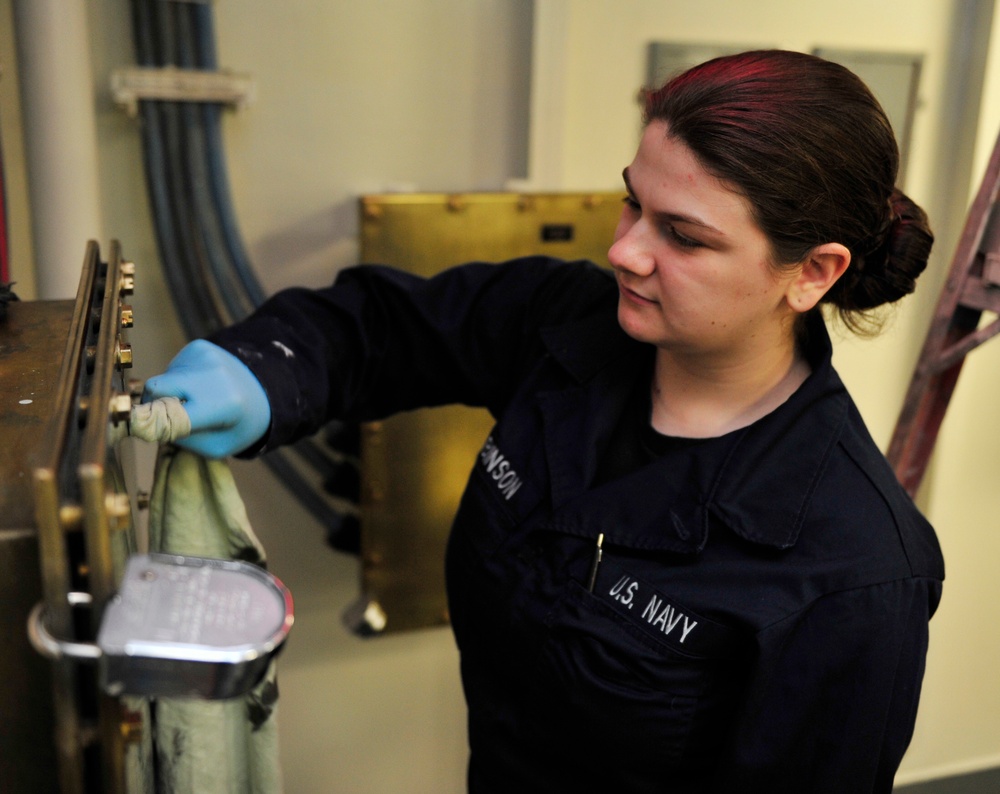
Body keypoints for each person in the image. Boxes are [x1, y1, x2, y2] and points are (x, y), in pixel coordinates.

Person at [143, 50, 944, 792]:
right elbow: (382, 331)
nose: (626, 250)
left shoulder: (854, 571)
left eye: (683, 237)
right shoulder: (569, 325)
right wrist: (260, 369)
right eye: (633, 202)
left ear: (813, 272)